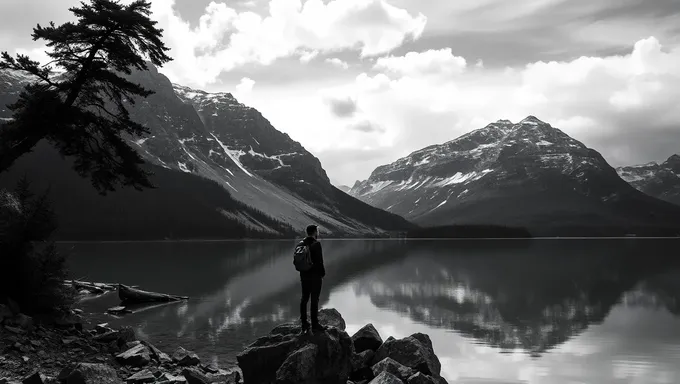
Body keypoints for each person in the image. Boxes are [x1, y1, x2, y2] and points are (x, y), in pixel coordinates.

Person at [299, 224, 326, 333]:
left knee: (304, 298)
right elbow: (320, 261)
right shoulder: (316, 244)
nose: (317, 233)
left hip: (304, 275)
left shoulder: (301, 243)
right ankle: (315, 324)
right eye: (317, 231)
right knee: (314, 299)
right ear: (315, 232)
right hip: (315, 276)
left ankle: (304, 323)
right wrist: (322, 273)